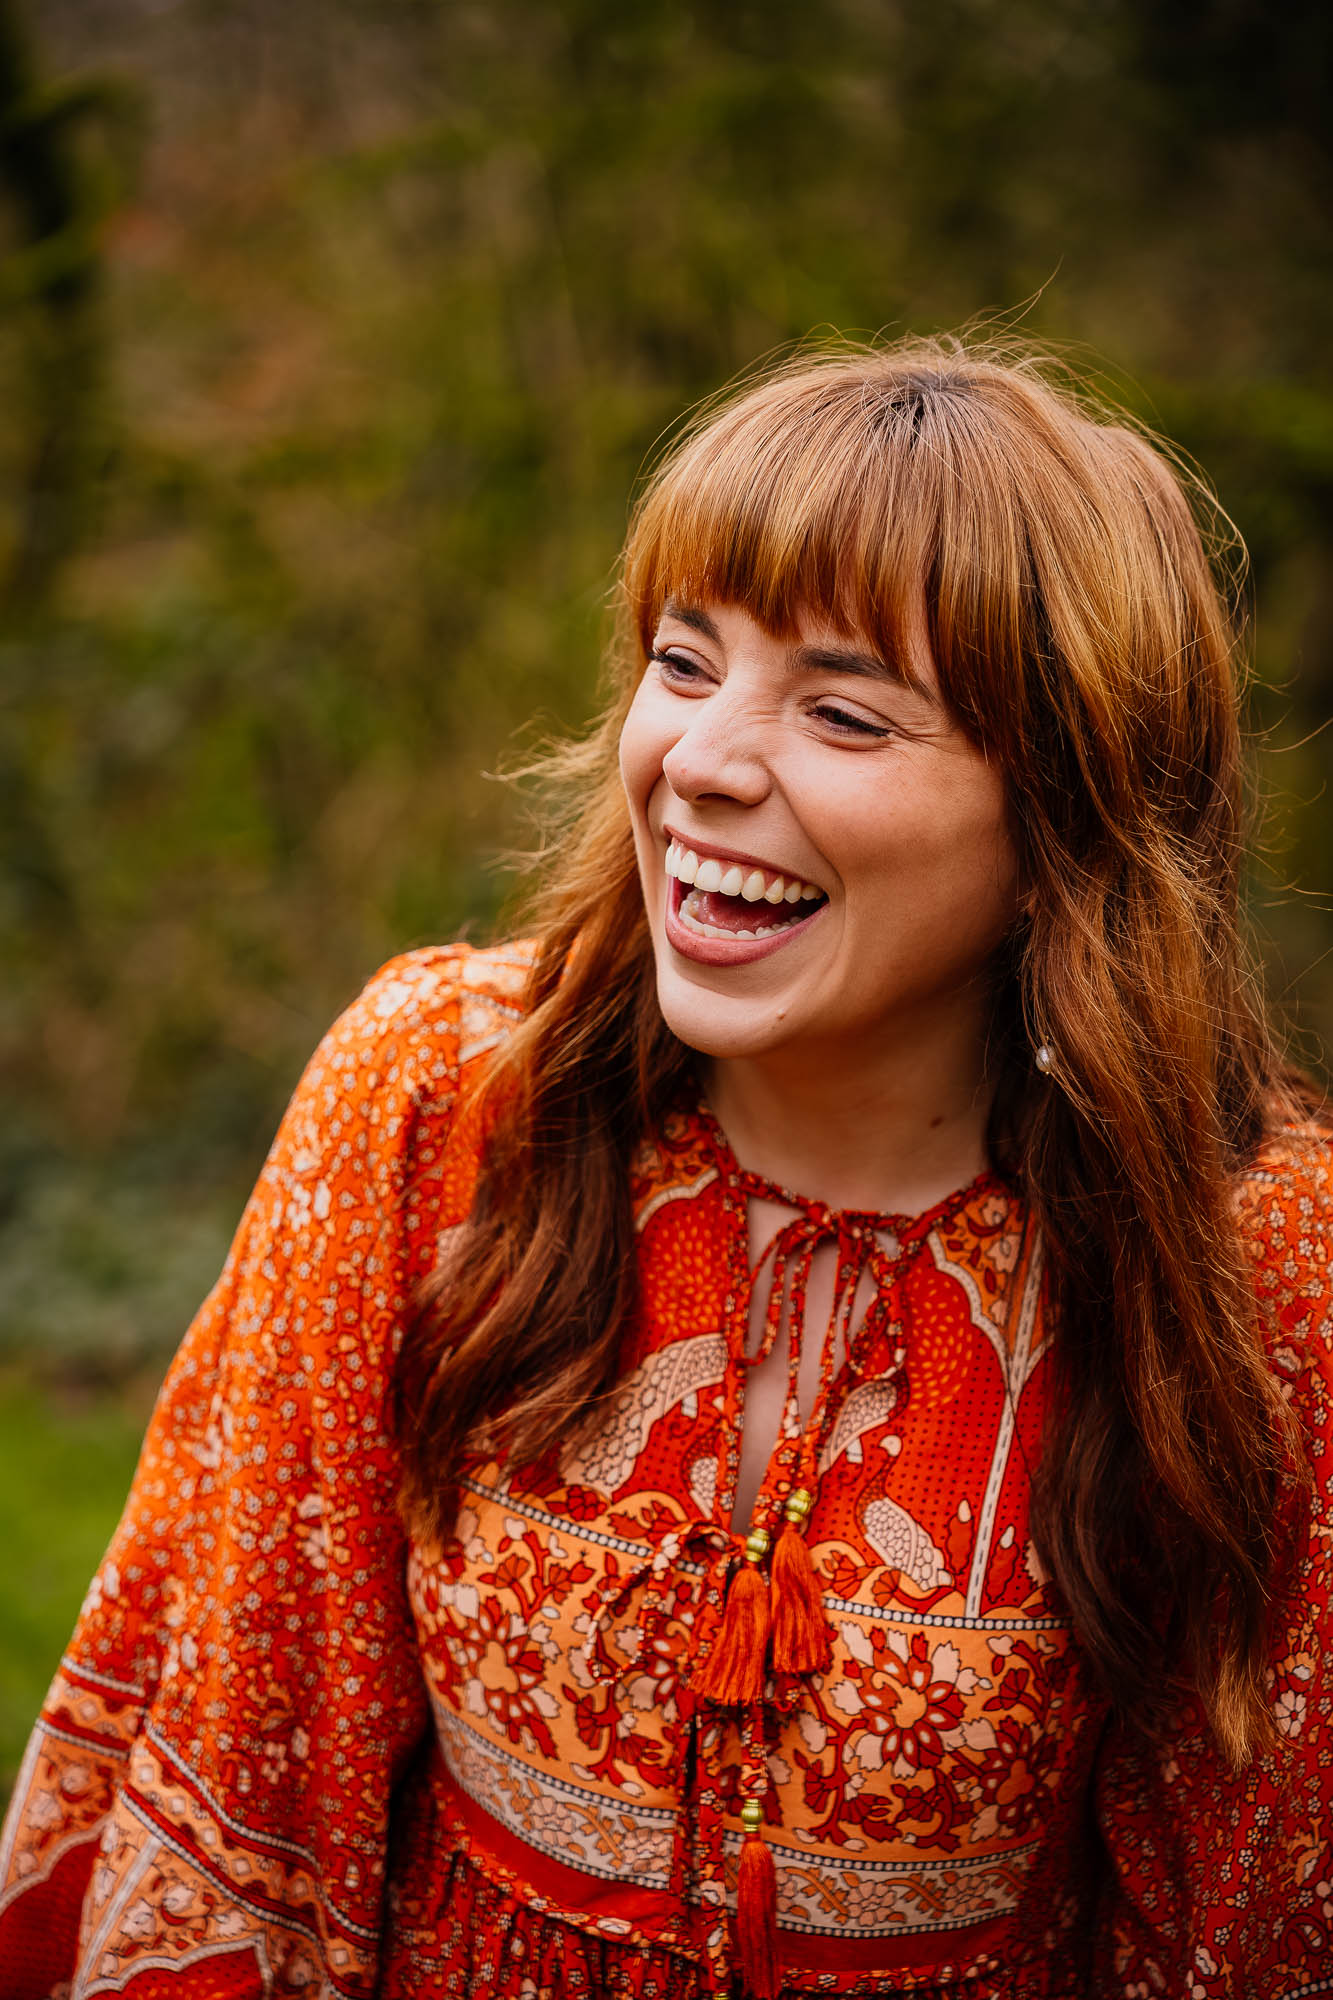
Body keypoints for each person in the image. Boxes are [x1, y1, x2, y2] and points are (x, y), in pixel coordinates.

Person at [2, 337, 1330, 2000]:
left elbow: (1249, 1921)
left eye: (842, 710)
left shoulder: (1246, 1256)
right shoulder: (438, 1102)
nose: (702, 759)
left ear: (1059, 824)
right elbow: (239, 1783)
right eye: (685, 662)